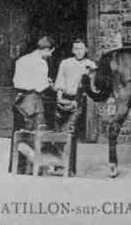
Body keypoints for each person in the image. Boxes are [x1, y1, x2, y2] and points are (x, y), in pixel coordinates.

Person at [10, 36, 56, 173]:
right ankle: (38, 163)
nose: (51, 55)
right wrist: (50, 84)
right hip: (34, 101)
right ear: (46, 49)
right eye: (51, 52)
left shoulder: (21, 60)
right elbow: (41, 87)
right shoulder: (42, 63)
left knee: (19, 134)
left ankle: (19, 168)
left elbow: (17, 83)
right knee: (37, 134)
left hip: (20, 102)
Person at [54, 38, 97, 176]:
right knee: (59, 131)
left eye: (81, 48)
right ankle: (58, 164)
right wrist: (59, 98)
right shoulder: (65, 63)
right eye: (76, 48)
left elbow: (92, 86)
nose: (79, 51)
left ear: (86, 50)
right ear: (72, 50)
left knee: (70, 132)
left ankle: (70, 167)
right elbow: (60, 80)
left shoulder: (90, 65)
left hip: (77, 101)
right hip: (63, 99)